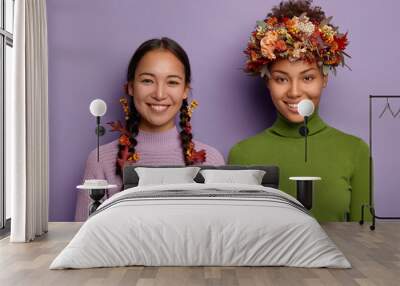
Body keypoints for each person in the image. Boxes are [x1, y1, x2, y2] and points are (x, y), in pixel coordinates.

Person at [228, 0, 370, 222]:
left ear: (324, 79)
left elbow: (366, 243)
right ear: (267, 81)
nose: (294, 92)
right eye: (281, 79)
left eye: (307, 77)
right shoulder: (241, 155)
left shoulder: (356, 151)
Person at [75, 37, 225, 221]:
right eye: (147, 81)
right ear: (130, 87)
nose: (160, 94)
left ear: (185, 90)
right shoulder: (100, 160)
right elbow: (84, 241)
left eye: (172, 82)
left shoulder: (212, 160)